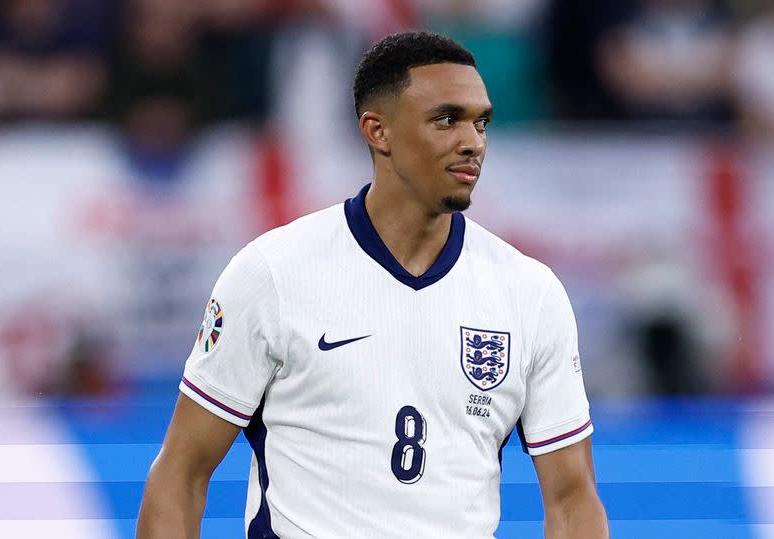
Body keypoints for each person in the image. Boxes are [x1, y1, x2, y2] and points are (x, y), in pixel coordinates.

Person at [137, 31, 608, 538]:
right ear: (377, 131)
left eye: (481, 122)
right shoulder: (273, 273)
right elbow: (182, 472)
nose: (472, 141)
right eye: (446, 119)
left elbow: (571, 498)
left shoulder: (529, 293)